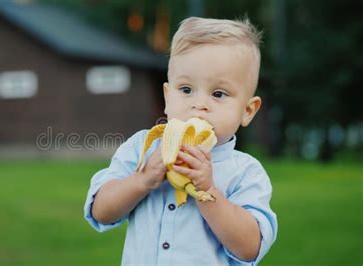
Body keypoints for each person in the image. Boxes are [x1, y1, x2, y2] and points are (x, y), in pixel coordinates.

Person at [84, 17, 277, 265]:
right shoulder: (142, 148)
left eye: (218, 94)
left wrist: (208, 191)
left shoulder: (245, 173)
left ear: (247, 111)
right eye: (186, 90)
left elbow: (249, 247)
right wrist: (141, 180)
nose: (199, 105)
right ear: (167, 96)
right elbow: (101, 212)